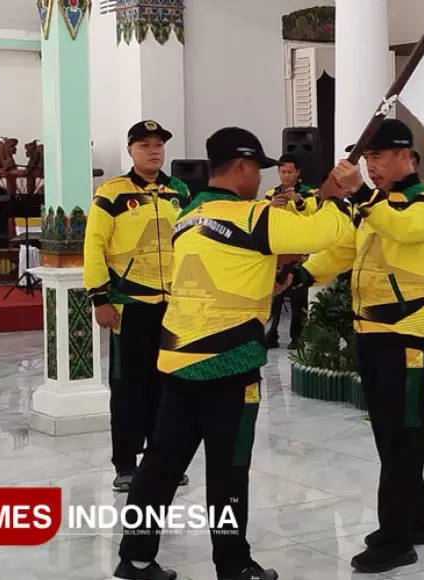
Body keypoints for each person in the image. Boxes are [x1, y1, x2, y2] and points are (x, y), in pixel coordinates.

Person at [112, 127, 352, 580]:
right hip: (229, 365)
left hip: (178, 360)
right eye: (256, 171)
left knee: (161, 464)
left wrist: (274, 275)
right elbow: (328, 231)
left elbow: (231, 268)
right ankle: (234, 565)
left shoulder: (187, 216)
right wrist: (336, 196)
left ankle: (136, 559)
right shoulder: (253, 217)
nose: (260, 181)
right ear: (239, 167)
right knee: (229, 468)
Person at [291, 119, 424, 574]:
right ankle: (414, 522)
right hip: (372, 332)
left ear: (408, 158)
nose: (372, 166)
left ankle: (396, 541)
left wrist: (360, 193)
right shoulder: (373, 207)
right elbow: (343, 250)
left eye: (380, 157)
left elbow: (405, 230)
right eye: (369, 158)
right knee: (389, 434)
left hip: (408, 334)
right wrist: (300, 276)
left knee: (403, 436)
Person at [84, 120, 191, 493]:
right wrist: (100, 297)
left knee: (170, 385)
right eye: (145, 145)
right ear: (130, 151)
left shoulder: (179, 191)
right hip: (129, 306)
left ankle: (163, 461)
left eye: (159, 144)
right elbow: (94, 247)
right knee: (130, 387)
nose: (154, 150)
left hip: (173, 306)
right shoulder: (112, 193)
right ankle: (126, 464)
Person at [263, 154, 318, 349]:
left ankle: (298, 336)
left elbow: (313, 214)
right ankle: (271, 333)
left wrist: (298, 201)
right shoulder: (271, 192)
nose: (285, 176)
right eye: (282, 172)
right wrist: (270, 207)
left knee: (298, 296)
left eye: (289, 172)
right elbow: (264, 219)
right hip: (278, 251)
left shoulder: (309, 193)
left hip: (299, 251)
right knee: (274, 295)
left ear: (298, 172)